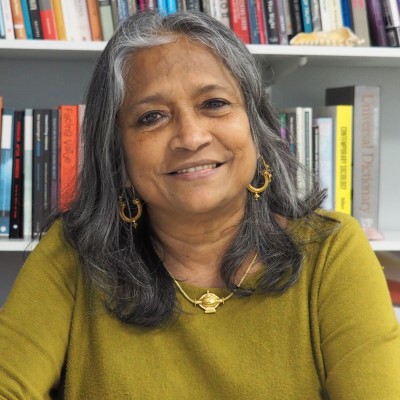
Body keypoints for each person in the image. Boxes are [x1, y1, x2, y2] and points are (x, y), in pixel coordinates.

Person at [1, 10, 399, 400]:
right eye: (152, 117)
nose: (191, 137)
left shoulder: (330, 251)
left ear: (256, 127)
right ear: (117, 154)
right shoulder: (74, 253)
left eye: (214, 103)